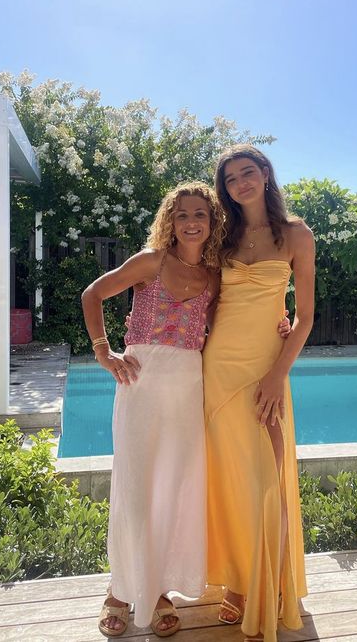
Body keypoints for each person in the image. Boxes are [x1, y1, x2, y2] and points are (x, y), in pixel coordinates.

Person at [81, 181, 223, 638]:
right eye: (182, 214)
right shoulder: (151, 261)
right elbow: (92, 294)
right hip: (141, 386)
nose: (191, 222)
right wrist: (103, 352)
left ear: (212, 221)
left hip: (187, 389)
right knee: (136, 489)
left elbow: (222, 328)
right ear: (170, 220)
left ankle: (158, 589)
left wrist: (279, 325)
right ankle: (120, 590)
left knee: (173, 490)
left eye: (200, 214)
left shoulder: (214, 277)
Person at [203, 144, 315, 642]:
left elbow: (305, 317)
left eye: (247, 172)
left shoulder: (296, 234)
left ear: (266, 174)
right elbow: (201, 297)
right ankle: (237, 579)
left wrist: (277, 374)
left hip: (267, 367)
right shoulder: (221, 234)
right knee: (228, 477)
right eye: (230, 179)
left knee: (265, 478)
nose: (240, 183)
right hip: (218, 368)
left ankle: (268, 582)